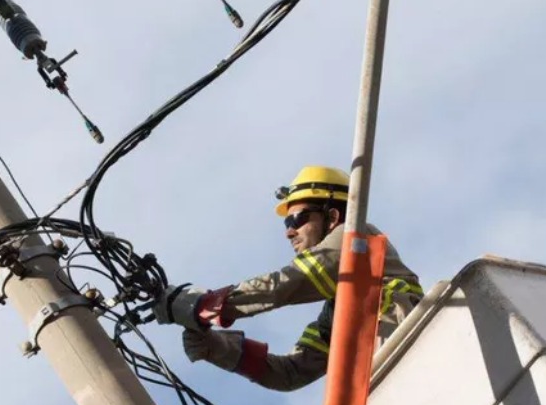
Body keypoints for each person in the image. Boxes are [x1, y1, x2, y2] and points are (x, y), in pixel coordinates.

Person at [155, 165, 424, 392]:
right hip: (396, 384)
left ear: (332, 216)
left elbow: (287, 283)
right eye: (287, 224)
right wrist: (217, 348)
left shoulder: (356, 237)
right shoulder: (339, 313)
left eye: (297, 219)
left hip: (411, 346)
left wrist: (203, 305)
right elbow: (291, 373)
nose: (289, 232)